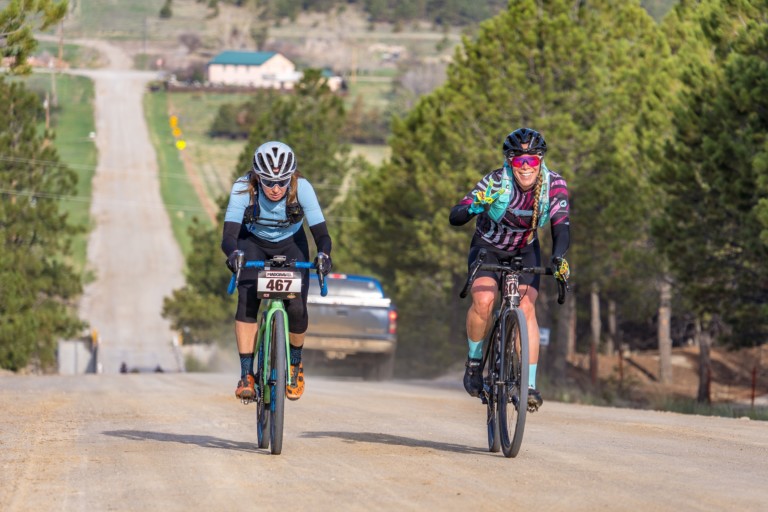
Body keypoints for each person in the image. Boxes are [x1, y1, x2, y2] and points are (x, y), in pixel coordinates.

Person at [449, 127, 570, 410]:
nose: (526, 167)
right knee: (484, 300)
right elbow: (455, 215)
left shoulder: (554, 184)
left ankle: (528, 385)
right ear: (509, 162)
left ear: (541, 160)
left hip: (526, 250)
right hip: (488, 247)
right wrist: (473, 208)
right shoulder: (494, 182)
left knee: (527, 308)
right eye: (519, 161)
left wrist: (559, 257)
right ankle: (475, 362)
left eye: (532, 160)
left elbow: (561, 226)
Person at [221, 141, 332, 402]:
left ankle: (294, 365)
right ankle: (246, 374)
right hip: (253, 243)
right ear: (257, 177)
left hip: (292, 244)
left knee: (297, 308)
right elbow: (229, 235)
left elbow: (322, 234)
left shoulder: (302, 188)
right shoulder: (242, 188)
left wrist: (324, 255)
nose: (275, 189)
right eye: (268, 182)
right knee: (247, 301)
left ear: (290, 177)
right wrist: (234, 254)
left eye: (282, 182)